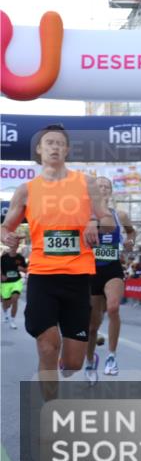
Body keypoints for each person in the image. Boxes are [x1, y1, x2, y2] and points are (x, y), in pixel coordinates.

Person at [0, 124, 107, 399]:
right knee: (48, 346)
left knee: (72, 364)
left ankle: (66, 365)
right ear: (39, 149)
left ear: (67, 149)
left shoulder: (86, 183)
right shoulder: (26, 190)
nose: (55, 147)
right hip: (42, 277)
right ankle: (51, 408)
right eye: (49, 143)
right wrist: (7, 237)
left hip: (78, 278)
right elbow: (5, 226)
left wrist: (95, 221)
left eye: (60, 143)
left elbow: (107, 218)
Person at [84, 176, 136, 381]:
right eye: (100, 186)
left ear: (111, 191)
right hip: (90, 271)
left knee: (113, 307)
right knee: (92, 326)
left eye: (107, 187)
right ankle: (89, 362)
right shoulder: (84, 214)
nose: (103, 189)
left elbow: (131, 232)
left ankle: (111, 357)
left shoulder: (119, 215)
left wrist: (130, 242)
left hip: (112, 268)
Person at [1, 241, 27, 329]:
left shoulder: (20, 258)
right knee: (6, 303)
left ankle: (12, 320)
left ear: (17, 246)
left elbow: (26, 270)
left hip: (16, 281)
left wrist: (22, 269)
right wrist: (1, 275)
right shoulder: (3, 257)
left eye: (15, 245)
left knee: (15, 299)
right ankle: (6, 313)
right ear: (9, 246)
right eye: (12, 245)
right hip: (6, 283)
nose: (14, 247)